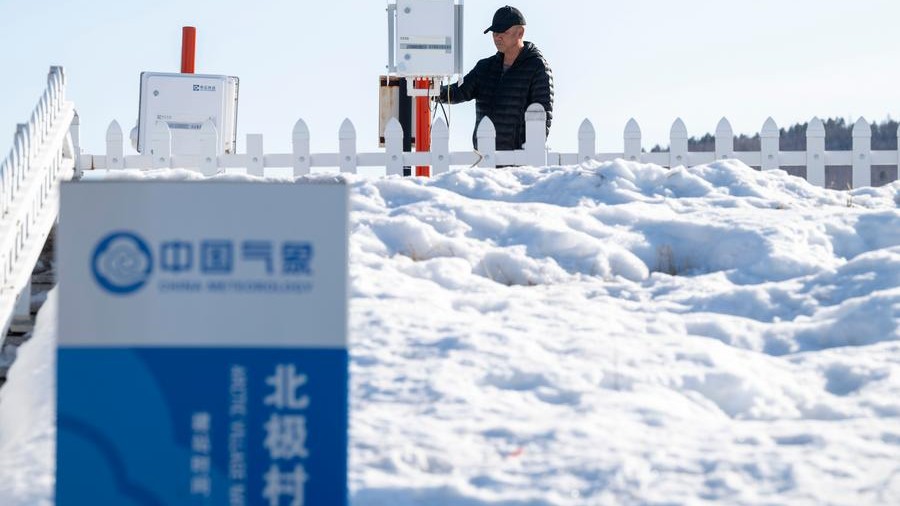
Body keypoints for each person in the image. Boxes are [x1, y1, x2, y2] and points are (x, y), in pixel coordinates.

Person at [435, 5, 554, 152]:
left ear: (520, 33)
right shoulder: (484, 67)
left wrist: (530, 155)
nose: (497, 37)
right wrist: (433, 90)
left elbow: (543, 116)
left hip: (519, 162)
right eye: (494, 32)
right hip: (485, 157)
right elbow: (458, 92)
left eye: (503, 31)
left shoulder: (537, 67)